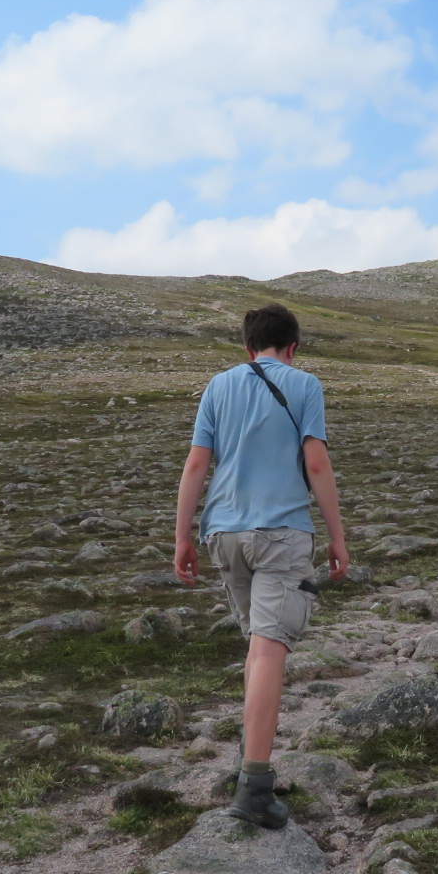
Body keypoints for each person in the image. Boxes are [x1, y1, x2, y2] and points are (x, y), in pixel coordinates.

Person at [173, 303, 349, 828]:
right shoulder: (303, 384)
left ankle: (250, 758)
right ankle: (254, 786)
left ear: (248, 349)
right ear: (292, 347)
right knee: (270, 651)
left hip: (224, 534)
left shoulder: (218, 386)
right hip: (281, 534)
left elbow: (196, 464)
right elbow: (315, 461)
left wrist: (182, 537)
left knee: (257, 648)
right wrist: (338, 537)